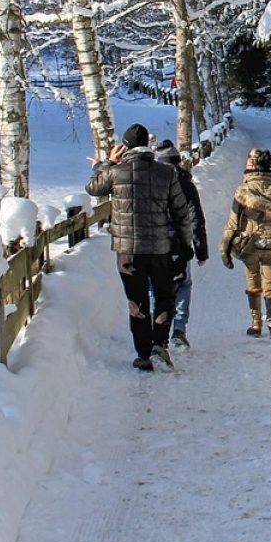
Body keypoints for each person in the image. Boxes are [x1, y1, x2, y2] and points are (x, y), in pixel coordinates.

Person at [85, 123, 194, 371]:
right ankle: (160, 344)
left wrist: (106, 164)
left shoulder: (116, 172)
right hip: (161, 249)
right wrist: (185, 244)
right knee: (164, 296)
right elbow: (180, 212)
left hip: (128, 251)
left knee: (137, 300)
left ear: (125, 147)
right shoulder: (166, 173)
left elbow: (93, 188)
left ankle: (143, 354)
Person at [220, 148, 271, 339]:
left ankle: (256, 323)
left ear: (253, 165)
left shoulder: (243, 190)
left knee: (253, 281)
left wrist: (225, 247)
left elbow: (233, 222)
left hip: (250, 243)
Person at [154, 139, 209, 348]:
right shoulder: (185, 182)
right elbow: (196, 218)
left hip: (155, 246)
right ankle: (179, 329)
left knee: (156, 288)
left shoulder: (151, 182)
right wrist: (201, 250)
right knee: (183, 285)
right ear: (177, 160)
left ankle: (157, 329)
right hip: (180, 244)